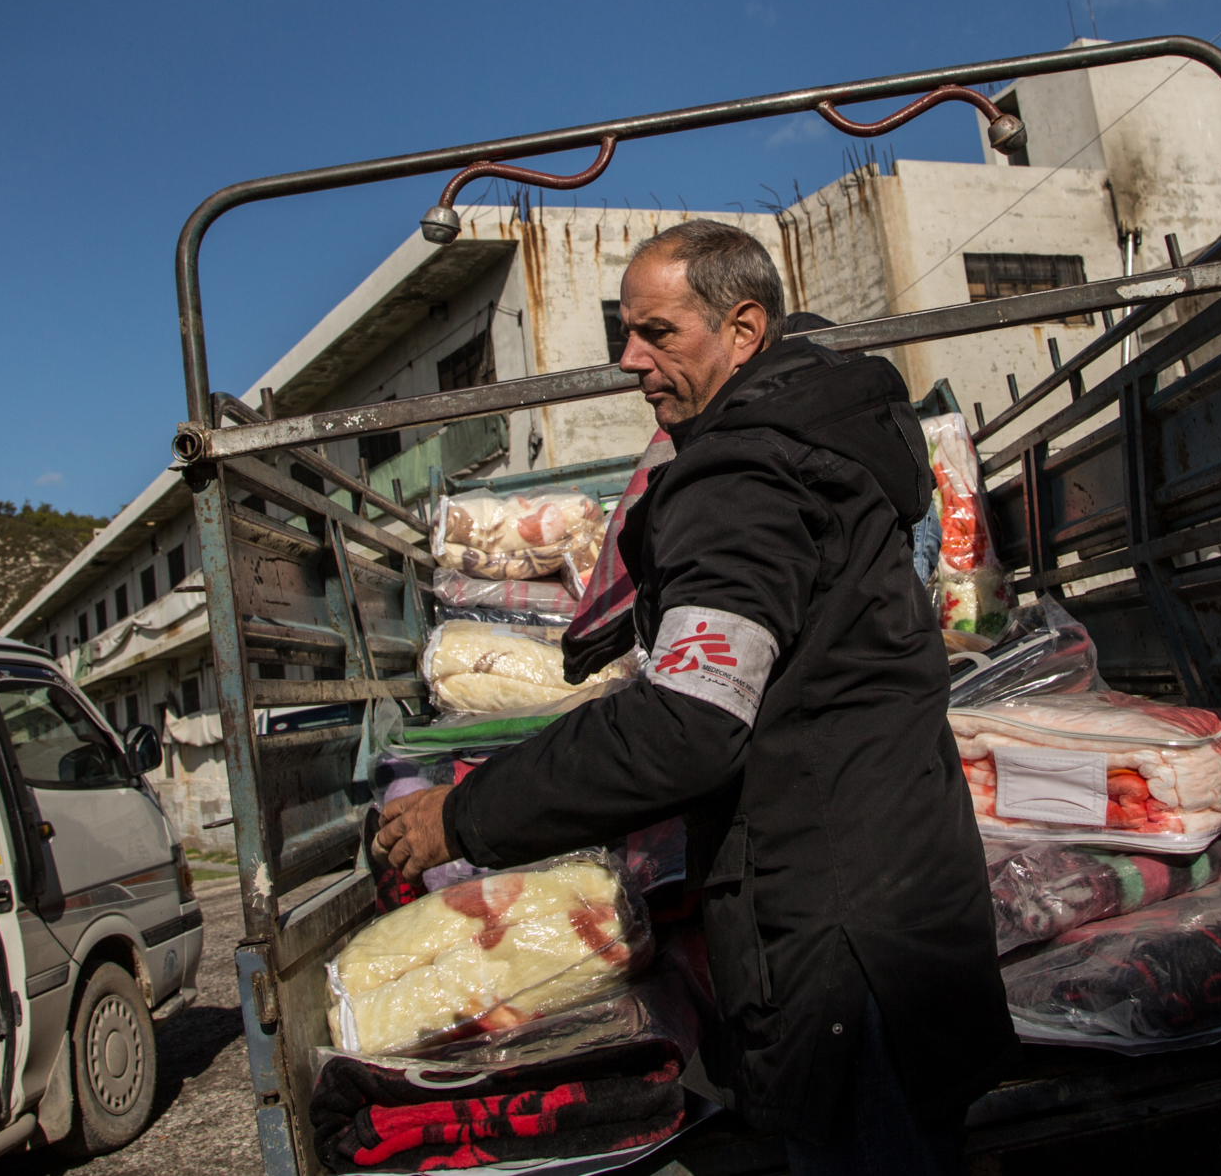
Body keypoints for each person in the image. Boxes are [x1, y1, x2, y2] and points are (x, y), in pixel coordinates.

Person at [374, 219, 1012, 1172]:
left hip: (843, 948)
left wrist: (463, 814)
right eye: (626, 333)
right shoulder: (824, 441)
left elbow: (688, 723)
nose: (631, 359)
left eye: (658, 333)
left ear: (744, 331)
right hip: (906, 902)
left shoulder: (748, 475)